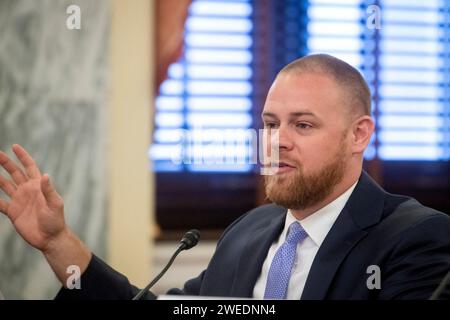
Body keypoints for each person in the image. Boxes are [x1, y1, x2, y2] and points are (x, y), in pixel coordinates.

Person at [0, 54, 449, 300]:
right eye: (271, 124)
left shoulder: (418, 237)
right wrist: (59, 243)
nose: (277, 141)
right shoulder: (247, 232)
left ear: (358, 135)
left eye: (303, 125)